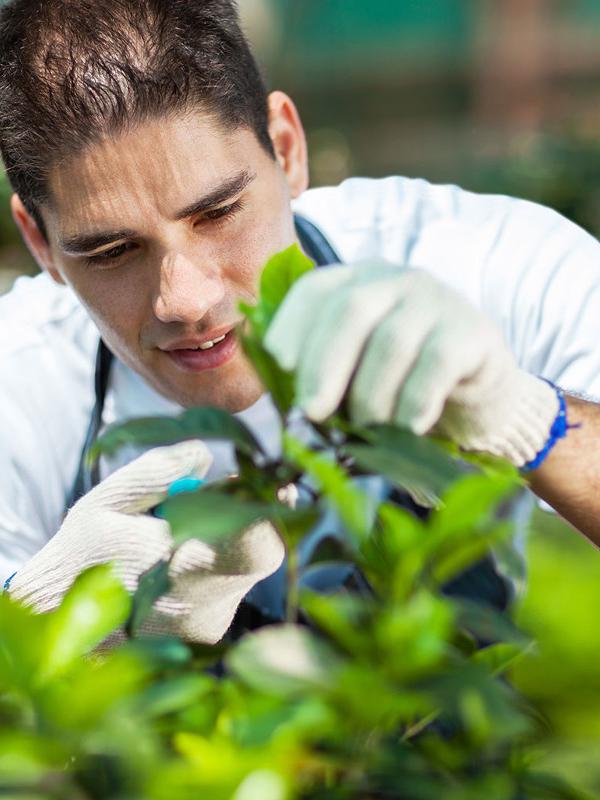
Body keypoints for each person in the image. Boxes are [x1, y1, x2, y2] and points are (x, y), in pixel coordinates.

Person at [0, 0, 598, 643]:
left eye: (219, 213)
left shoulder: (497, 263)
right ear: (39, 243)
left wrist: (528, 419)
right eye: (113, 253)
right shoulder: (21, 381)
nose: (185, 300)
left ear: (285, 150)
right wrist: (39, 635)